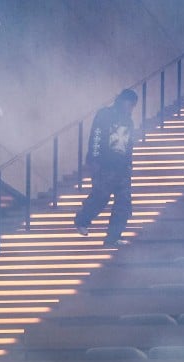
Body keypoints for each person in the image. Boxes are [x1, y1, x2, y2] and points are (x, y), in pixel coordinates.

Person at [74, 89, 138, 246]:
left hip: (122, 168)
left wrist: (129, 164)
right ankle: (82, 220)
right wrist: (94, 159)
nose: (130, 108)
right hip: (104, 165)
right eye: (129, 103)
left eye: (132, 105)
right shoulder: (104, 115)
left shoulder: (129, 121)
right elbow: (95, 137)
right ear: (122, 100)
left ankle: (113, 237)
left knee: (124, 202)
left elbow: (129, 144)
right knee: (101, 196)